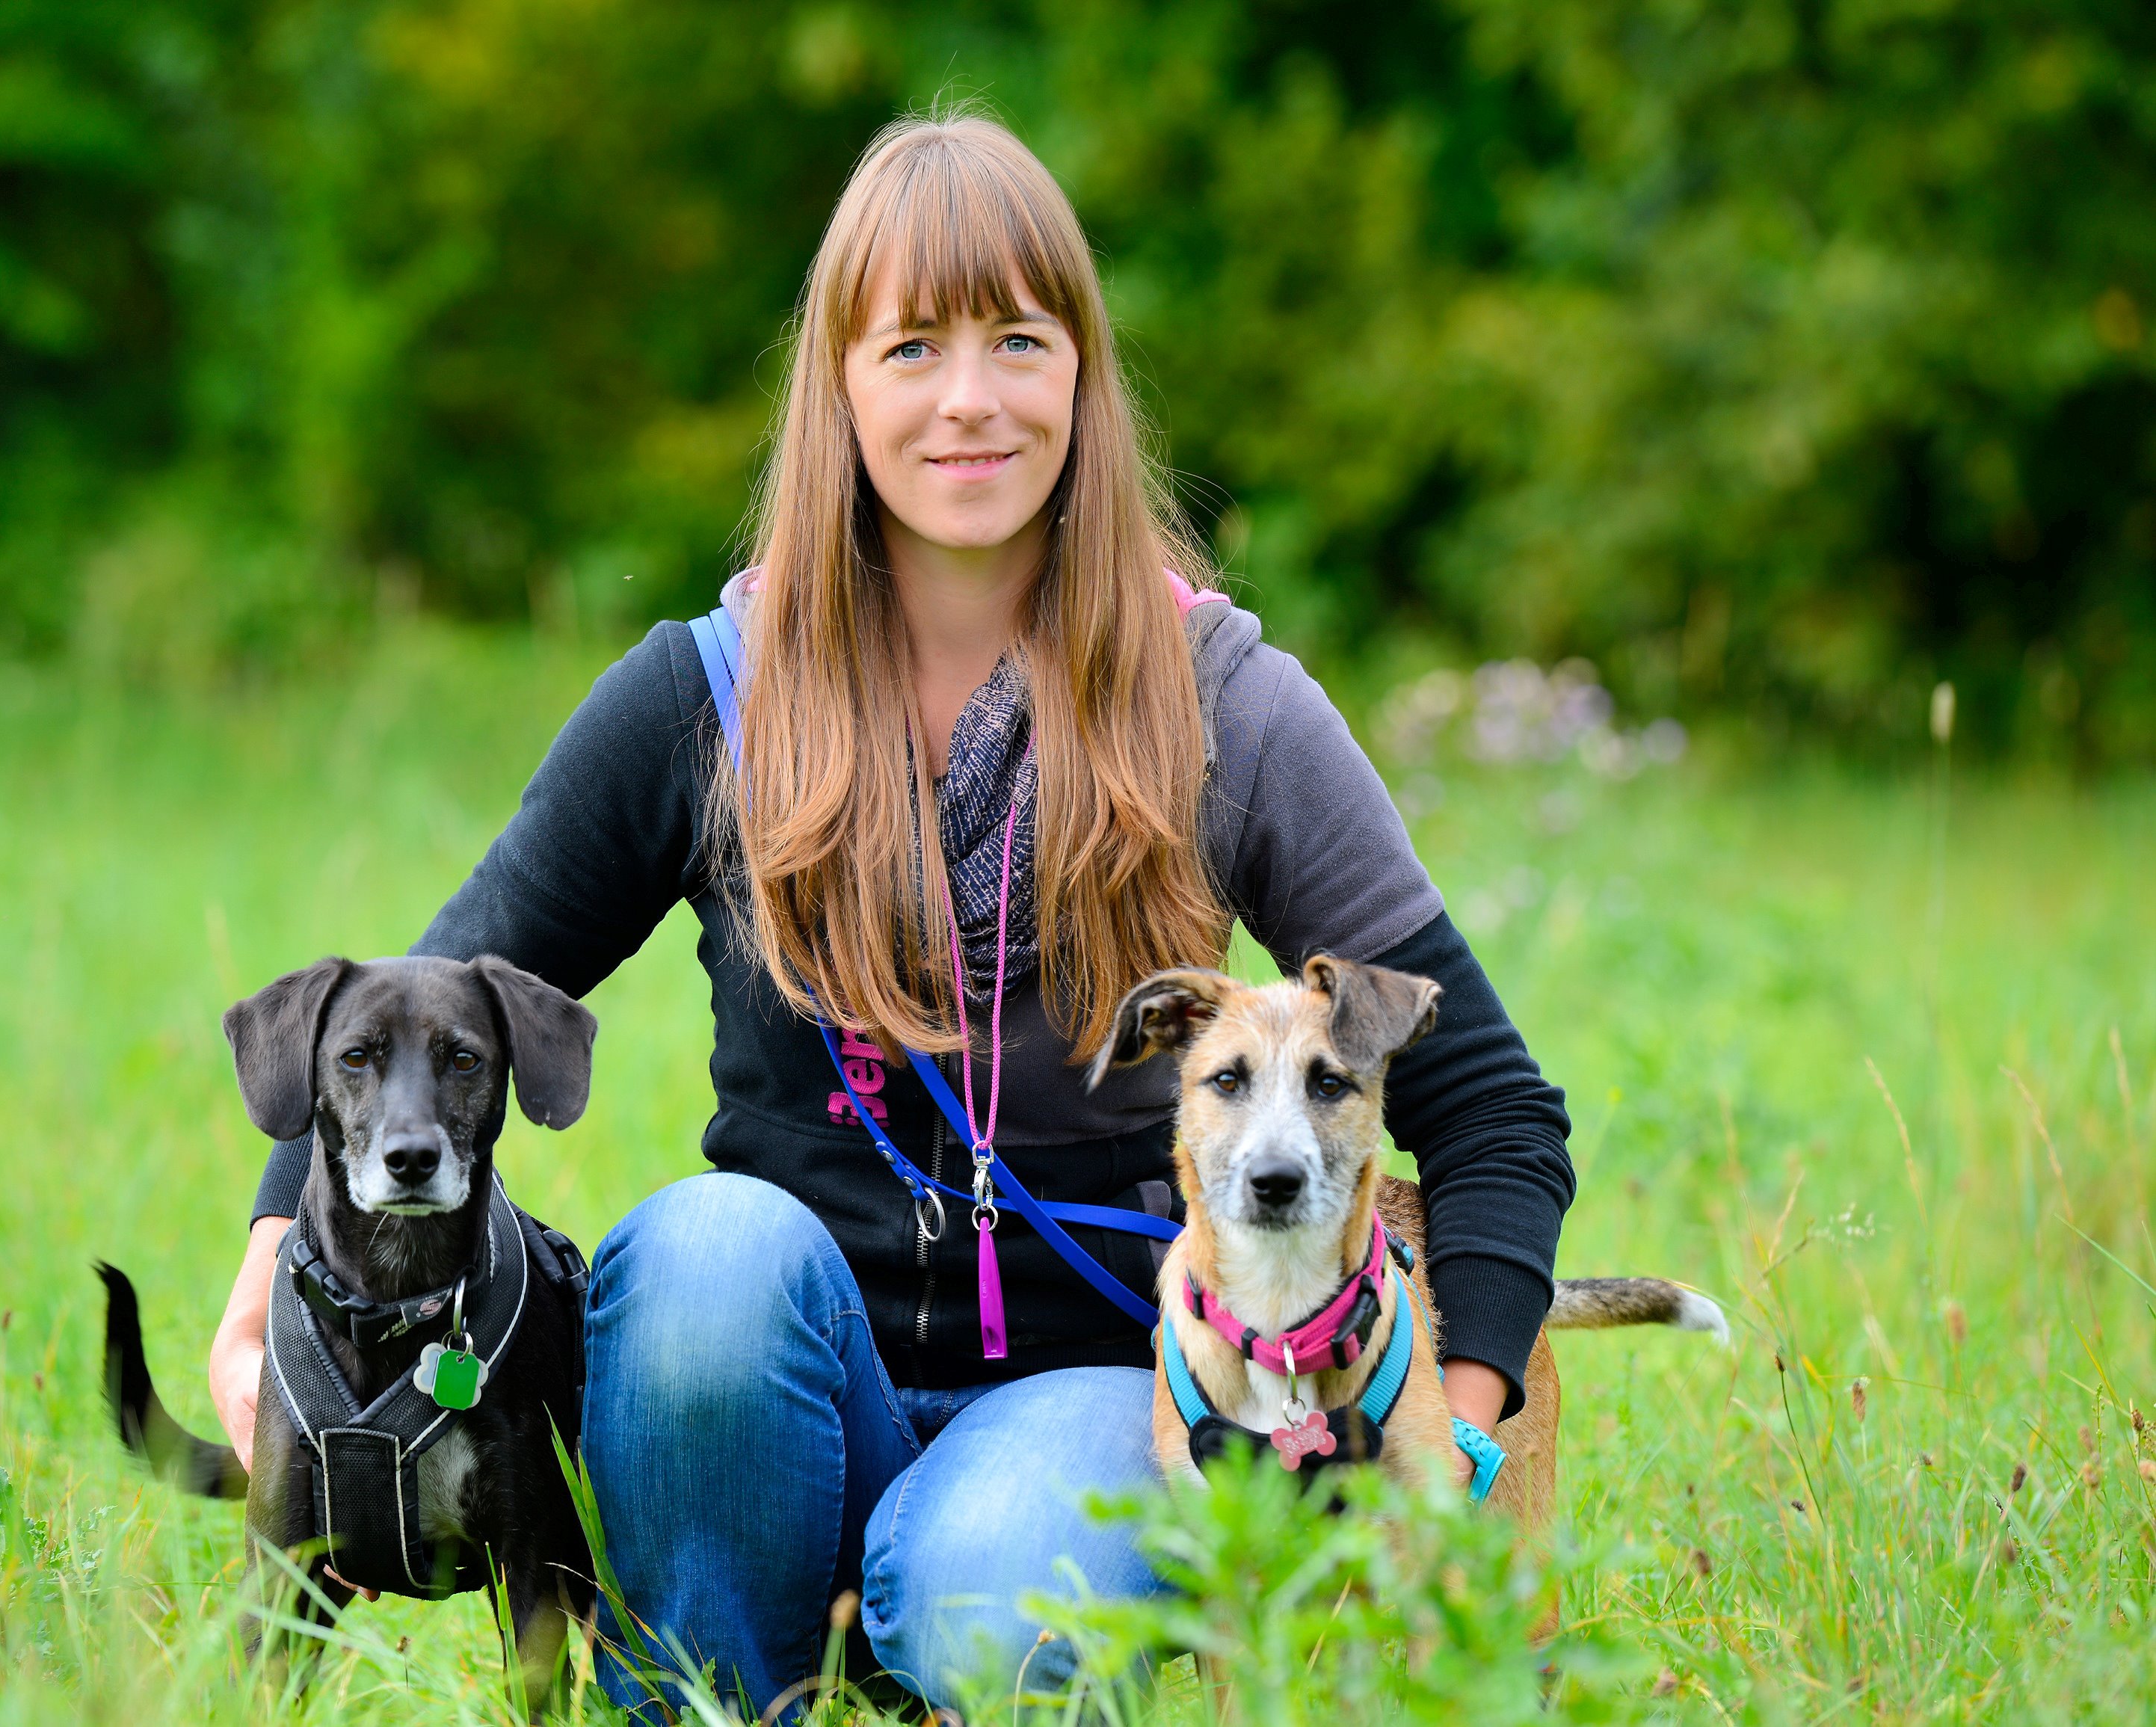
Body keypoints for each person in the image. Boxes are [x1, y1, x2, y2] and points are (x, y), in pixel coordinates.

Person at [204, 112, 1572, 1714]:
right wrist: (267, 1274)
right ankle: (718, 1692)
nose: (970, 398)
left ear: (1084, 372)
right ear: (840, 386)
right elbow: (415, 1013)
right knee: (701, 1258)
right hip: (769, 1393)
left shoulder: (1226, 708)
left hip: (1083, 1394)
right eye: (912, 345)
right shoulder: (704, 698)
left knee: (990, 1594)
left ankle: (922, 1651)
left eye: (1018, 338)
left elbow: (1491, 1103)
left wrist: (1455, 1424)